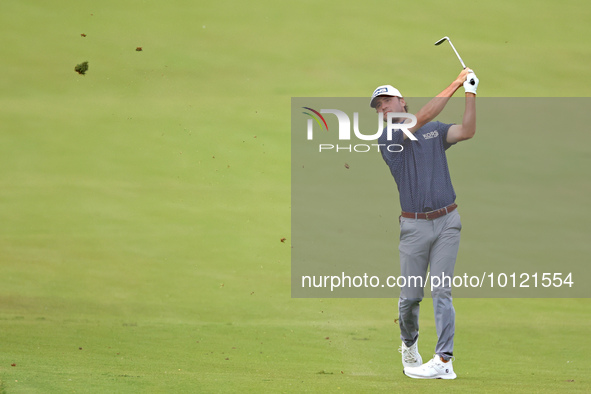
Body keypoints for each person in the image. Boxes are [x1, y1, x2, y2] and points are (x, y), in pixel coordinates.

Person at [369, 68, 478, 379]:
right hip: (414, 227)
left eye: (386, 100)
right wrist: (456, 83)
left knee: (442, 290)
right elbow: (422, 118)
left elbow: (467, 131)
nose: (383, 108)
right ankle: (409, 342)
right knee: (410, 298)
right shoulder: (389, 136)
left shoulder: (433, 131)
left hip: (447, 221)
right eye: (378, 106)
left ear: (402, 101)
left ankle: (444, 360)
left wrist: (470, 92)